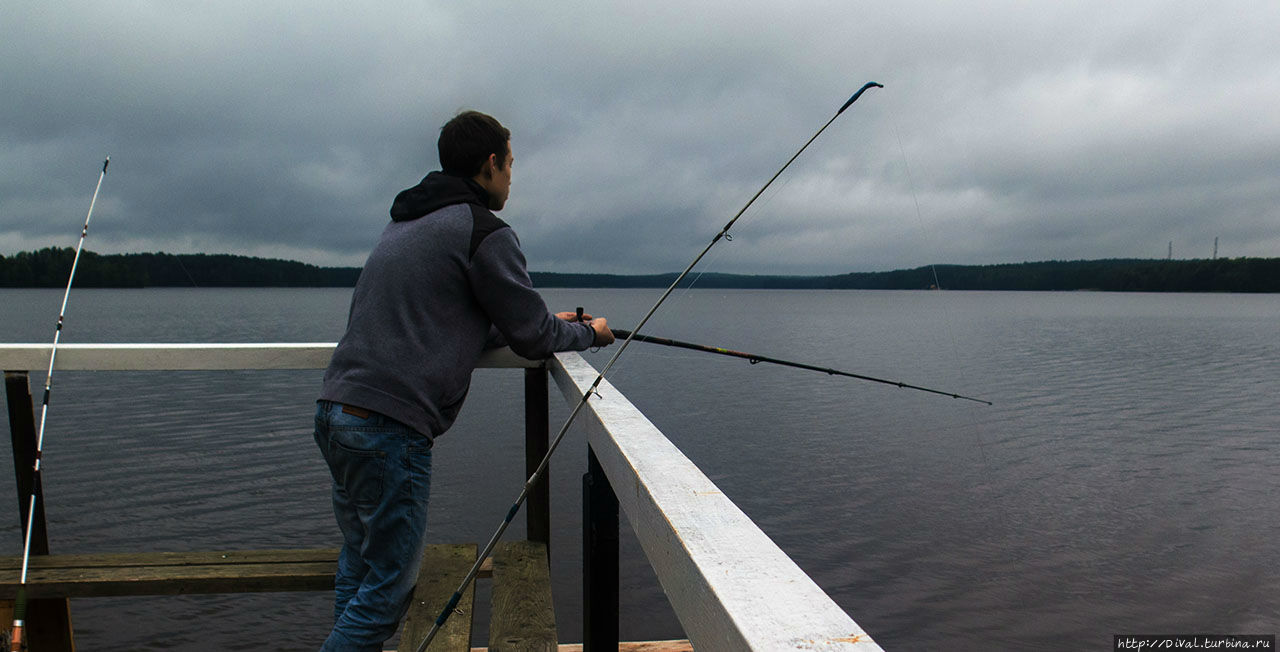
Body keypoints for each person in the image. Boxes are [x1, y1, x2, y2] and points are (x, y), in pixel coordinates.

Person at [313, 110, 614, 651]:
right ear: (491, 163)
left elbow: (459, 316)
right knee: (387, 590)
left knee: (361, 566)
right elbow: (531, 338)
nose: (512, 179)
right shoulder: (485, 231)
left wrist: (550, 322)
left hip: (337, 411)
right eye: (511, 165)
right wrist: (589, 334)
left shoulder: (409, 221)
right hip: (388, 427)